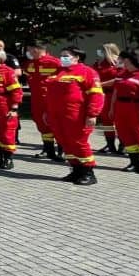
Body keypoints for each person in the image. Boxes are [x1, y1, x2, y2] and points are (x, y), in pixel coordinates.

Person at [45, 47, 104, 185]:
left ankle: (88, 172)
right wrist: (47, 111)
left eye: (66, 56)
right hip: (57, 115)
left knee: (79, 142)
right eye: (61, 55)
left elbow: (96, 94)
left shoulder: (87, 72)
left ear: (77, 57)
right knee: (65, 142)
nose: (62, 58)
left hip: (76, 115)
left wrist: (92, 114)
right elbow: (50, 95)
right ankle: (76, 169)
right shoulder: (58, 72)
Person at [110, 49, 139, 174]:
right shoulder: (121, 74)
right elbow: (115, 92)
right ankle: (134, 162)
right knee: (126, 135)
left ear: (130, 60)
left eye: (122, 59)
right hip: (121, 108)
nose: (120, 61)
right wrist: (112, 108)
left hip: (137, 107)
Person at [25, 41, 63, 160]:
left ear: (36, 49)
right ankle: (48, 150)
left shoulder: (55, 63)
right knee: (42, 125)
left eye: (29, 50)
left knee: (56, 124)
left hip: (51, 99)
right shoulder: (30, 64)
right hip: (36, 100)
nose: (28, 52)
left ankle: (62, 151)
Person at [92, 43, 122, 155]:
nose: (99, 52)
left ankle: (123, 144)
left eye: (102, 50)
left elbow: (118, 79)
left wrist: (102, 84)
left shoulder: (118, 63)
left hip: (114, 94)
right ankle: (110, 145)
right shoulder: (99, 63)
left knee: (118, 121)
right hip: (102, 94)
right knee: (106, 121)